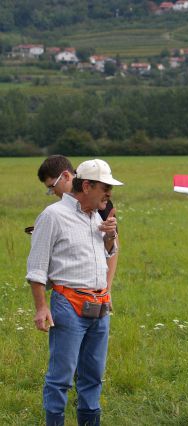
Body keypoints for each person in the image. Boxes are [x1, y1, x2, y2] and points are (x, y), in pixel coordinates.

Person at [27, 159, 124, 426]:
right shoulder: (53, 215)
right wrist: (41, 307)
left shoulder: (97, 217)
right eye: (105, 187)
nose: (109, 193)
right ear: (87, 185)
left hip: (100, 307)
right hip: (68, 307)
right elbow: (36, 267)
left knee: (93, 376)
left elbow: (106, 256)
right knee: (61, 378)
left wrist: (108, 238)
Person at [36, 155, 120, 304]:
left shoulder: (100, 201)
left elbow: (112, 247)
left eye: (52, 186)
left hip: (96, 296)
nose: (53, 192)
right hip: (68, 297)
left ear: (66, 176)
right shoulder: (55, 211)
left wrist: (107, 289)